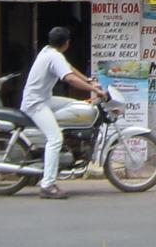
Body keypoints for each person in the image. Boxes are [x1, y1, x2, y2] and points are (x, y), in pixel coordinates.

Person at [21, 26, 104, 199]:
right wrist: (94, 90)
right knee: (55, 138)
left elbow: (69, 68)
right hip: (35, 104)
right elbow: (70, 78)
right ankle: (47, 185)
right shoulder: (53, 56)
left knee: (76, 106)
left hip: (44, 99)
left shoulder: (48, 51)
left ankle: (69, 146)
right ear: (67, 44)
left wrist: (89, 80)